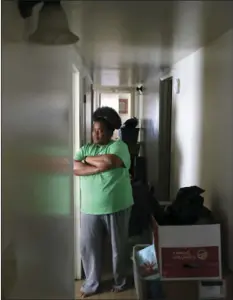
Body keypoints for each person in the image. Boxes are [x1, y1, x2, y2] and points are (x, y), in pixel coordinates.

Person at [73, 107, 133, 298]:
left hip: (117, 205)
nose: (96, 134)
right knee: (88, 248)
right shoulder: (86, 148)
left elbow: (109, 162)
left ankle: (120, 280)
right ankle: (91, 283)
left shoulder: (119, 146)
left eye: (100, 130)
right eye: (94, 130)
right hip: (89, 208)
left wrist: (87, 161)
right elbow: (74, 167)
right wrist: (96, 167)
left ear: (110, 132)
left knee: (118, 247)